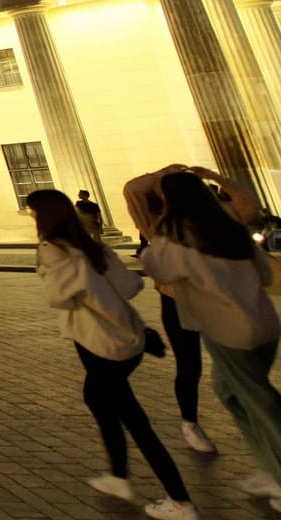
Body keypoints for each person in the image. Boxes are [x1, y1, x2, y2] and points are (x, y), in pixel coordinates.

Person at [28, 188, 195, 518]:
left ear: (44, 217)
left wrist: (61, 275)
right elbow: (132, 286)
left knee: (135, 421)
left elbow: (58, 297)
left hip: (99, 344)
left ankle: (180, 501)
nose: (32, 219)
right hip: (128, 338)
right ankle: (118, 476)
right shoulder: (93, 246)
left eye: (33, 214)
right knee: (96, 398)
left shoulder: (53, 251)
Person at [133, 164, 281, 505]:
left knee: (260, 402)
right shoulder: (230, 229)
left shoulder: (174, 241)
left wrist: (158, 178)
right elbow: (264, 273)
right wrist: (216, 178)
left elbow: (157, 270)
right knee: (229, 392)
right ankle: (268, 465)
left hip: (228, 331)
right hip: (264, 324)